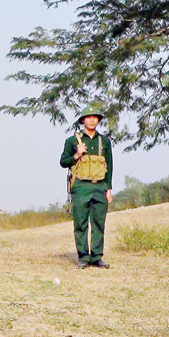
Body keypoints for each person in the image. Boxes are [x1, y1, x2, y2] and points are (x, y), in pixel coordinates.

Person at [60, 105, 114, 269]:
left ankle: (97, 257)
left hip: (100, 186)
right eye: (88, 117)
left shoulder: (104, 141)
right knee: (81, 223)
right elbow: (63, 162)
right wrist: (77, 155)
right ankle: (83, 257)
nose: (92, 119)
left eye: (95, 117)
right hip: (81, 186)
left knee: (99, 223)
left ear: (98, 120)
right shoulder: (71, 141)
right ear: (83, 120)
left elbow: (109, 165)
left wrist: (109, 188)